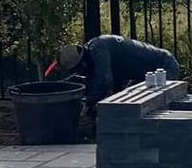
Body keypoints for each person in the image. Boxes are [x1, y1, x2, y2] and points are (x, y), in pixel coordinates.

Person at [47, 34, 182, 112]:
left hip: (163, 68)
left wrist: (88, 103)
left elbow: (104, 79)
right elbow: (105, 78)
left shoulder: (98, 49)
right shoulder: (94, 48)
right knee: (130, 106)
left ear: (81, 62)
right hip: (146, 73)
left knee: (151, 109)